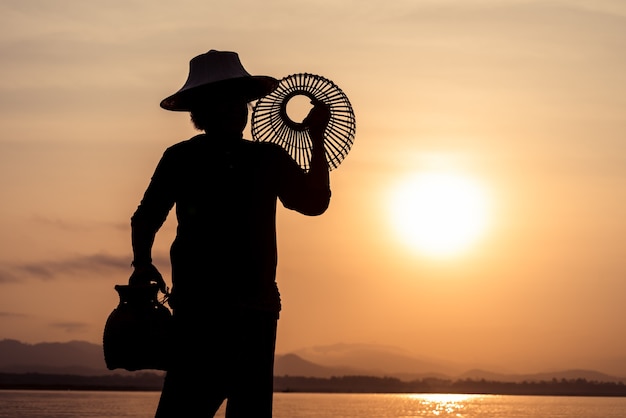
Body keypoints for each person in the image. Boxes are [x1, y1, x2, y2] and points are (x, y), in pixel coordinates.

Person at [128, 50, 331, 417]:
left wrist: (142, 264)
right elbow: (145, 218)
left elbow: (315, 202)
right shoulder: (231, 158)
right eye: (229, 102)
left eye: (241, 101)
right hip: (210, 312)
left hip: (239, 311)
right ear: (204, 111)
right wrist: (141, 263)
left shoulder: (255, 158)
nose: (240, 109)